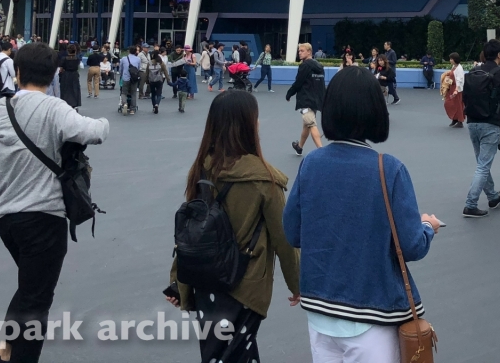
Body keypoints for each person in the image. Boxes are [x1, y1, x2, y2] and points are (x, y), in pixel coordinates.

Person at [283, 66, 440, 362]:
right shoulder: (389, 169)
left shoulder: (311, 165)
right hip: (372, 315)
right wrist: (428, 227)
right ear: (374, 111)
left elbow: (292, 231)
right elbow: (411, 245)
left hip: (320, 311)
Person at [0, 42, 109, 363]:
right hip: (44, 220)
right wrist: (105, 123)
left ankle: (4, 351)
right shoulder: (54, 107)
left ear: (18, 72)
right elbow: (91, 132)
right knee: (37, 301)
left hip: (7, 220)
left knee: (30, 286)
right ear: (54, 74)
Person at [166, 90, 300, 363]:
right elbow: (283, 238)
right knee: (238, 353)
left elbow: (191, 232)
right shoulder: (265, 179)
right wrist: (298, 284)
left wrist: (178, 282)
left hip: (204, 283)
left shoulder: (202, 168)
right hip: (244, 286)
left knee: (220, 354)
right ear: (246, 125)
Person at [461, 39, 500, 218]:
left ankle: (493, 196)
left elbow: (465, 96)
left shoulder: (473, 72)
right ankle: (470, 204)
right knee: (483, 166)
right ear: (499, 55)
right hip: (491, 123)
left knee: (481, 163)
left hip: (472, 122)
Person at [286, 42, 326, 156]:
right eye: (299, 51)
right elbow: (321, 85)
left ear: (309, 52)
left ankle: (321, 151)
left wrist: (289, 94)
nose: (299, 53)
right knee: (307, 124)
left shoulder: (304, 66)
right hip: (316, 100)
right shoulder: (320, 66)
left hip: (306, 99)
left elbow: (298, 83)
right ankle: (299, 147)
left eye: (302, 51)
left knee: (311, 124)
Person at [441, 52, 465, 127]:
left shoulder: (459, 69)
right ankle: (455, 119)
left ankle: (460, 120)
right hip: (452, 88)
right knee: (450, 104)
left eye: (451, 59)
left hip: (456, 89)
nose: (450, 60)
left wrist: (456, 90)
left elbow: (459, 80)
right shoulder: (454, 67)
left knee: (457, 105)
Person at [58, 44, 82, 110]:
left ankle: (65, 102)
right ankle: (75, 103)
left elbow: (61, 68)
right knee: (75, 89)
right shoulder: (77, 59)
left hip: (66, 74)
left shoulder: (64, 59)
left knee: (65, 89)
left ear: (68, 51)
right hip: (74, 75)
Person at [120, 45, 141, 115]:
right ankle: (132, 109)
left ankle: (124, 104)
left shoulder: (123, 59)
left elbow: (121, 69)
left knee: (124, 93)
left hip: (125, 78)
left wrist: (122, 75)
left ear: (128, 51)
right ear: (135, 52)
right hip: (134, 79)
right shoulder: (138, 59)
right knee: (133, 93)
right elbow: (138, 68)